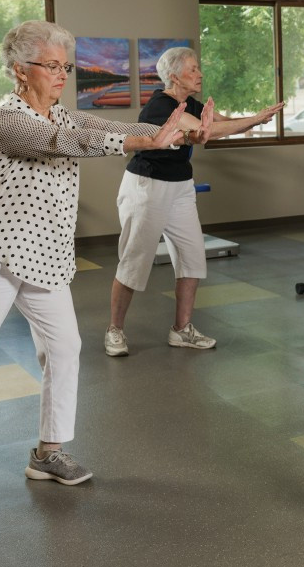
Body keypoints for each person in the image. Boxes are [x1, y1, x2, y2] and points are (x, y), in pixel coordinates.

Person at [0, 20, 189, 499]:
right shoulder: (7, 119)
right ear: (21, 71)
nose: (63, 75)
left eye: (67, 67)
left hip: (45, 254)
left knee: (65, 350)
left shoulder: (62, 114)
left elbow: (113, 126)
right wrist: (144, 142)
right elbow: (65, 144)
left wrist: (171, 132)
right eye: (53, 66)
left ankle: (48, 452)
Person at [106, 46, 281, 356]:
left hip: (180, 186)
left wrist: (254, 120)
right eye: (193, 69)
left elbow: (219, 120)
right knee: (134, 261)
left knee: (192, 257)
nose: (200, 74)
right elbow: (206, 130)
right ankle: (115, 330)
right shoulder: (160, 107)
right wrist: (252, 120)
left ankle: (181, 330)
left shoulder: (188, 102)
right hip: (147, 186)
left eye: (198, 68)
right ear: (174, 76)